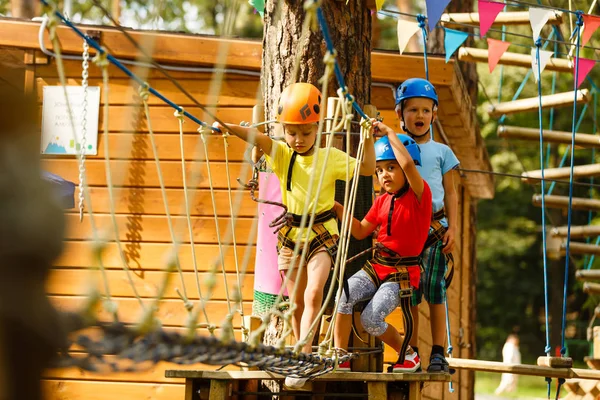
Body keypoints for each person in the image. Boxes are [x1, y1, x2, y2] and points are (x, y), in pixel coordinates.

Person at [213, 82, 375, 389]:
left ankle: (302, 358)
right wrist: (226, 126)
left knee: (314, 293)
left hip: (322, 233)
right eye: (291, 132)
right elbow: (256, 136)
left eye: (305, 132)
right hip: (291, 235)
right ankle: (301, 352)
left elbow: (366, 168)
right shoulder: (281, 154)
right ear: (283, 130)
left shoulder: (331, 157)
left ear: (317, 128)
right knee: (297, 302)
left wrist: (367, 138)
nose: (298, 140)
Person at [333, 122, 432, 373]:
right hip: (377, 268)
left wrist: (389, 133)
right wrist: (336, 208)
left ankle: (409, 355)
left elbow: (408, 165)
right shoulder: (382, 201)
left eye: (390, 168)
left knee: (371, 320)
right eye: (379, 170)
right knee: (342, 297)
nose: (384, 175)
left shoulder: (420, 195)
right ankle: (339, 357)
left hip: (402, 276)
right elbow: (360, 231)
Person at [397, 78, 460, 374]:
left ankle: (438, 352)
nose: (419, 116)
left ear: (434, 114)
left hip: (434, 229)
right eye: (412, 110)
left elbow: (451, 191)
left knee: (434, 289)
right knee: (408, 293)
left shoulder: (442, 152)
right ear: (401, 114)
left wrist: (454, 228)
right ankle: (412, 352)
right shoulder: (394, 147)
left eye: (425, 110)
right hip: (405, 230)